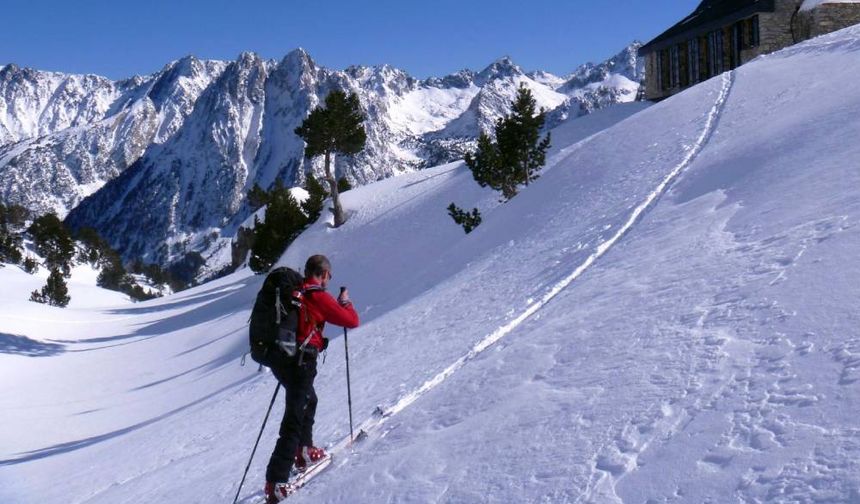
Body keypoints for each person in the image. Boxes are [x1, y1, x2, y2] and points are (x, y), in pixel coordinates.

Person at [265, 254, 359, 503]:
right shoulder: (317, 296)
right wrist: (346, 304)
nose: (329, 279)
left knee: (309, 401)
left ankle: (304, 451)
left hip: (284, 359)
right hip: (302, 362)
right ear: (324, 273)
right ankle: (276, 482)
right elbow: (351, 321)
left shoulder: (296, 292)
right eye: (329, 275)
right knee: (294, 419)